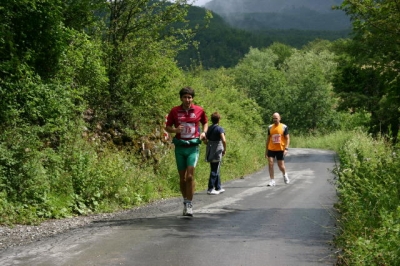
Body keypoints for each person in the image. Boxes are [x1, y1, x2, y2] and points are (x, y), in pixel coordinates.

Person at [165, 87, 208, 217]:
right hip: (180, 147)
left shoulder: (199, 110)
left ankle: (189, 204)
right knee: (182, 178)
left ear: (192, 98)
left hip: (193, 147)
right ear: (181, 98)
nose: (187, 100)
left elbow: (205, 122)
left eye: (189, 97)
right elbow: (167, 127)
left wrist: (204, 132)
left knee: (190, 176)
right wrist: (175, 130)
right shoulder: (174, 111)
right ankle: (185, 201)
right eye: (185, 97)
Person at [203, 112, 226, 195]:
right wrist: (224, 149)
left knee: (215, 168)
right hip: (217, 150)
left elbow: (204, 140)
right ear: (219, 120)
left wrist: (209, 143)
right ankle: (210, 188)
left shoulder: (208, 128)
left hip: (210, 150)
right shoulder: (220, 129)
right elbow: (223, 140)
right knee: (215, 170)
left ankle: (218, 187)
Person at [265, 112, 290, 186]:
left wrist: (286, 148)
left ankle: (285, 174)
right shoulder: (270, 127)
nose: (275, 119)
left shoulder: (284, 127)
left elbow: (287, 138)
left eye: (276, 118)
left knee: (280, 166)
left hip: (280, 149)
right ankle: (272, 180)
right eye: (273, 118)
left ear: (280, 118)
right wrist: (266, 151)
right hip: (271, 149)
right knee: (270, 164)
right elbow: (268, 139)